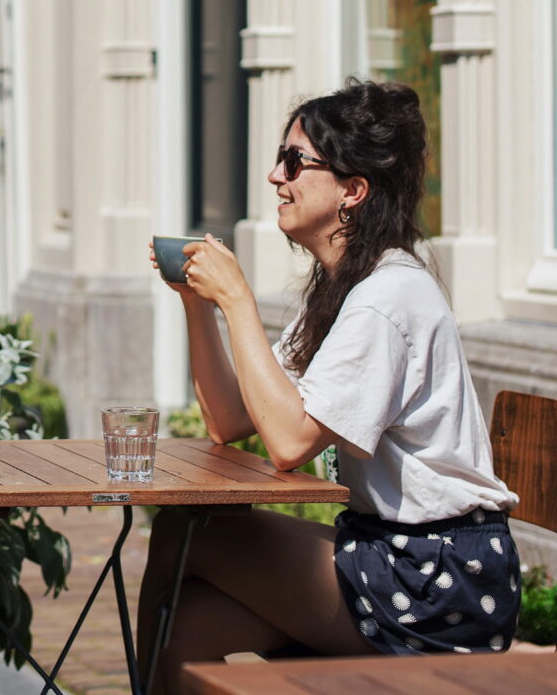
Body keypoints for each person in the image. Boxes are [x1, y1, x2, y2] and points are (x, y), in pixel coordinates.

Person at [139, 80, 519, 693]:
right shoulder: (344, 290)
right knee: (191, 624)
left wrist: (237, 299)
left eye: (293, 162)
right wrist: (196, 303)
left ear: (352, 191)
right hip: (394, 559)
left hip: (439, 580)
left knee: (189, 531)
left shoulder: (385, 299)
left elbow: (289, 444)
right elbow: (230, 421)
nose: (274, 177)